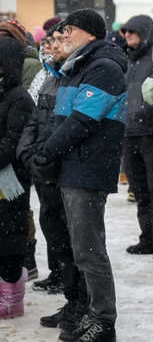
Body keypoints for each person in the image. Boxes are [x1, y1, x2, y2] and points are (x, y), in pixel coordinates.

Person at [38, 9, 129, 342]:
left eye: (69, 29)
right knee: (78, 248)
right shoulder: (77, 67)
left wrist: (47, 151)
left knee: (90, 250)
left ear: (90, 34)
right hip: (71, 166)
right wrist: (42, 150)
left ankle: (103, 320)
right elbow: (58, 119)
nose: (62, 34)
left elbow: (82, 121)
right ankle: (84, 308)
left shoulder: (103, 68)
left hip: (87, 169)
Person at [18, 23, 89, 333]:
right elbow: (34, 120)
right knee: (59, 243)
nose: (54, 45)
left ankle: (86, 306)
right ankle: (72, 301)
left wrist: (45, 155)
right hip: (45, 175)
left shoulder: (78, 77)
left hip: (67, 174)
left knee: (80, 246)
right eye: (52, 40)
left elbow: (70, 127)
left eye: (62, 39)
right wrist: (28, 154)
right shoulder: (51, 77)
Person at [120, 15, 153, 256]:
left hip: (150, 132)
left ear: (145, 32)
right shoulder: (126, 58)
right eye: (125, 31)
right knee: (139, 190)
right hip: (129, 132)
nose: (127, 35)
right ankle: (147, 238)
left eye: (132, 31)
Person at [0, 36, 35, 320]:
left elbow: (12, 143)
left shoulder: (19, 98)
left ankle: (11, 299)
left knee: (10, 237)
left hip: (11, 181)